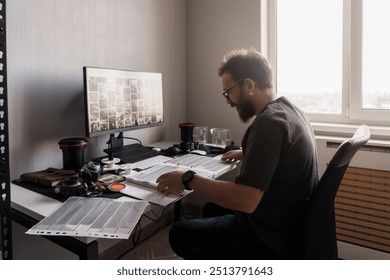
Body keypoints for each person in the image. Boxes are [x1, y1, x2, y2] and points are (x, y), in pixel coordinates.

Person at [156, 48, 319, 259]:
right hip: (289, 224)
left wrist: (188, 179)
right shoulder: (290, 111)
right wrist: (247, 152)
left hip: (269, 236)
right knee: (211, 210)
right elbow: (286, 153)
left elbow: (246, 201)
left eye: (228, 92)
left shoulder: (268, 124)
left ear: (249, 85)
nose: (228, 100)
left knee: (179, 234)